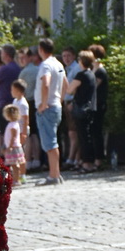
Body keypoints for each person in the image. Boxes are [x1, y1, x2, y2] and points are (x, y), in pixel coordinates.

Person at [35, 37, 65, 185]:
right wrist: (60, 100)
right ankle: (56, 173)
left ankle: (53, 175)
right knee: (53, 141)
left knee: (50, 142)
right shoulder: (58, 64)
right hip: (56, 106)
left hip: (47, 108)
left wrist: (43, 104)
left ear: (41, 49)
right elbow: (65, 84)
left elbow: (45, 84)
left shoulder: (46, 65)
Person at [71, 49, 99, 171]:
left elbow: (69, 90)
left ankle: (86, 163)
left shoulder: (81, 75)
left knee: (83, 137)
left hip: (81, 109)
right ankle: (90, 162)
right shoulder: (91, 74)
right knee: (88, 136)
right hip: (91, 108)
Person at [90, 43, 109, 168]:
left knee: (96, 132)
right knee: (92, 132)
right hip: (93, 105)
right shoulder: (94, 70)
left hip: (99, 104)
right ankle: (94, 158)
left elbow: (93, 87)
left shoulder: (100, 71)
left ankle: (99, 159)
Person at [2, 102, 26, 184]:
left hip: (13, 147)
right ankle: (16, 179)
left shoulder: (12, 126)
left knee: (14, 165)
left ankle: (16, 180)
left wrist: (10, 146)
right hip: (14, 147)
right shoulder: (14, 124)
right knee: (14, 165)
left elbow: (13, 137)